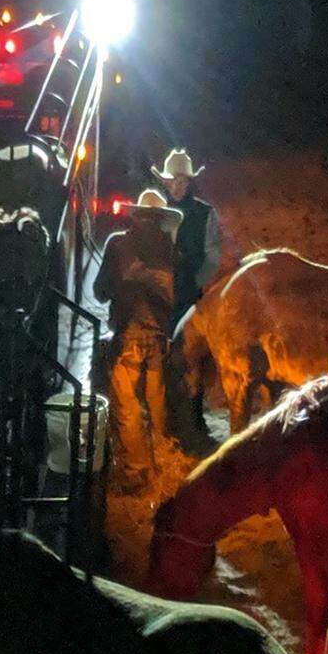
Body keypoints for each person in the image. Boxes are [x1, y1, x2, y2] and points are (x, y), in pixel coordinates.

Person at [92, 188, 183, 485]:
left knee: (127, 403)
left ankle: (136, 471)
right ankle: (162, 459)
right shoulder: (169, 249)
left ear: (137, 214)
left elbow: (100, 291)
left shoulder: (118, 244)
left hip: (129, 335)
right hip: (158, 338)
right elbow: (176, 296)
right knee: (155, 399)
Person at [151, 147, 222, 329]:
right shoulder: (155, 211)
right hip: (157, 298)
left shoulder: (205, 213)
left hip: (189, 300)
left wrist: (193, 288)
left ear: (189, 183)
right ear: (165, 183)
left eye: (181, 182)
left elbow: (212, 259)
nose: (176, 187)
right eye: (172, 181)